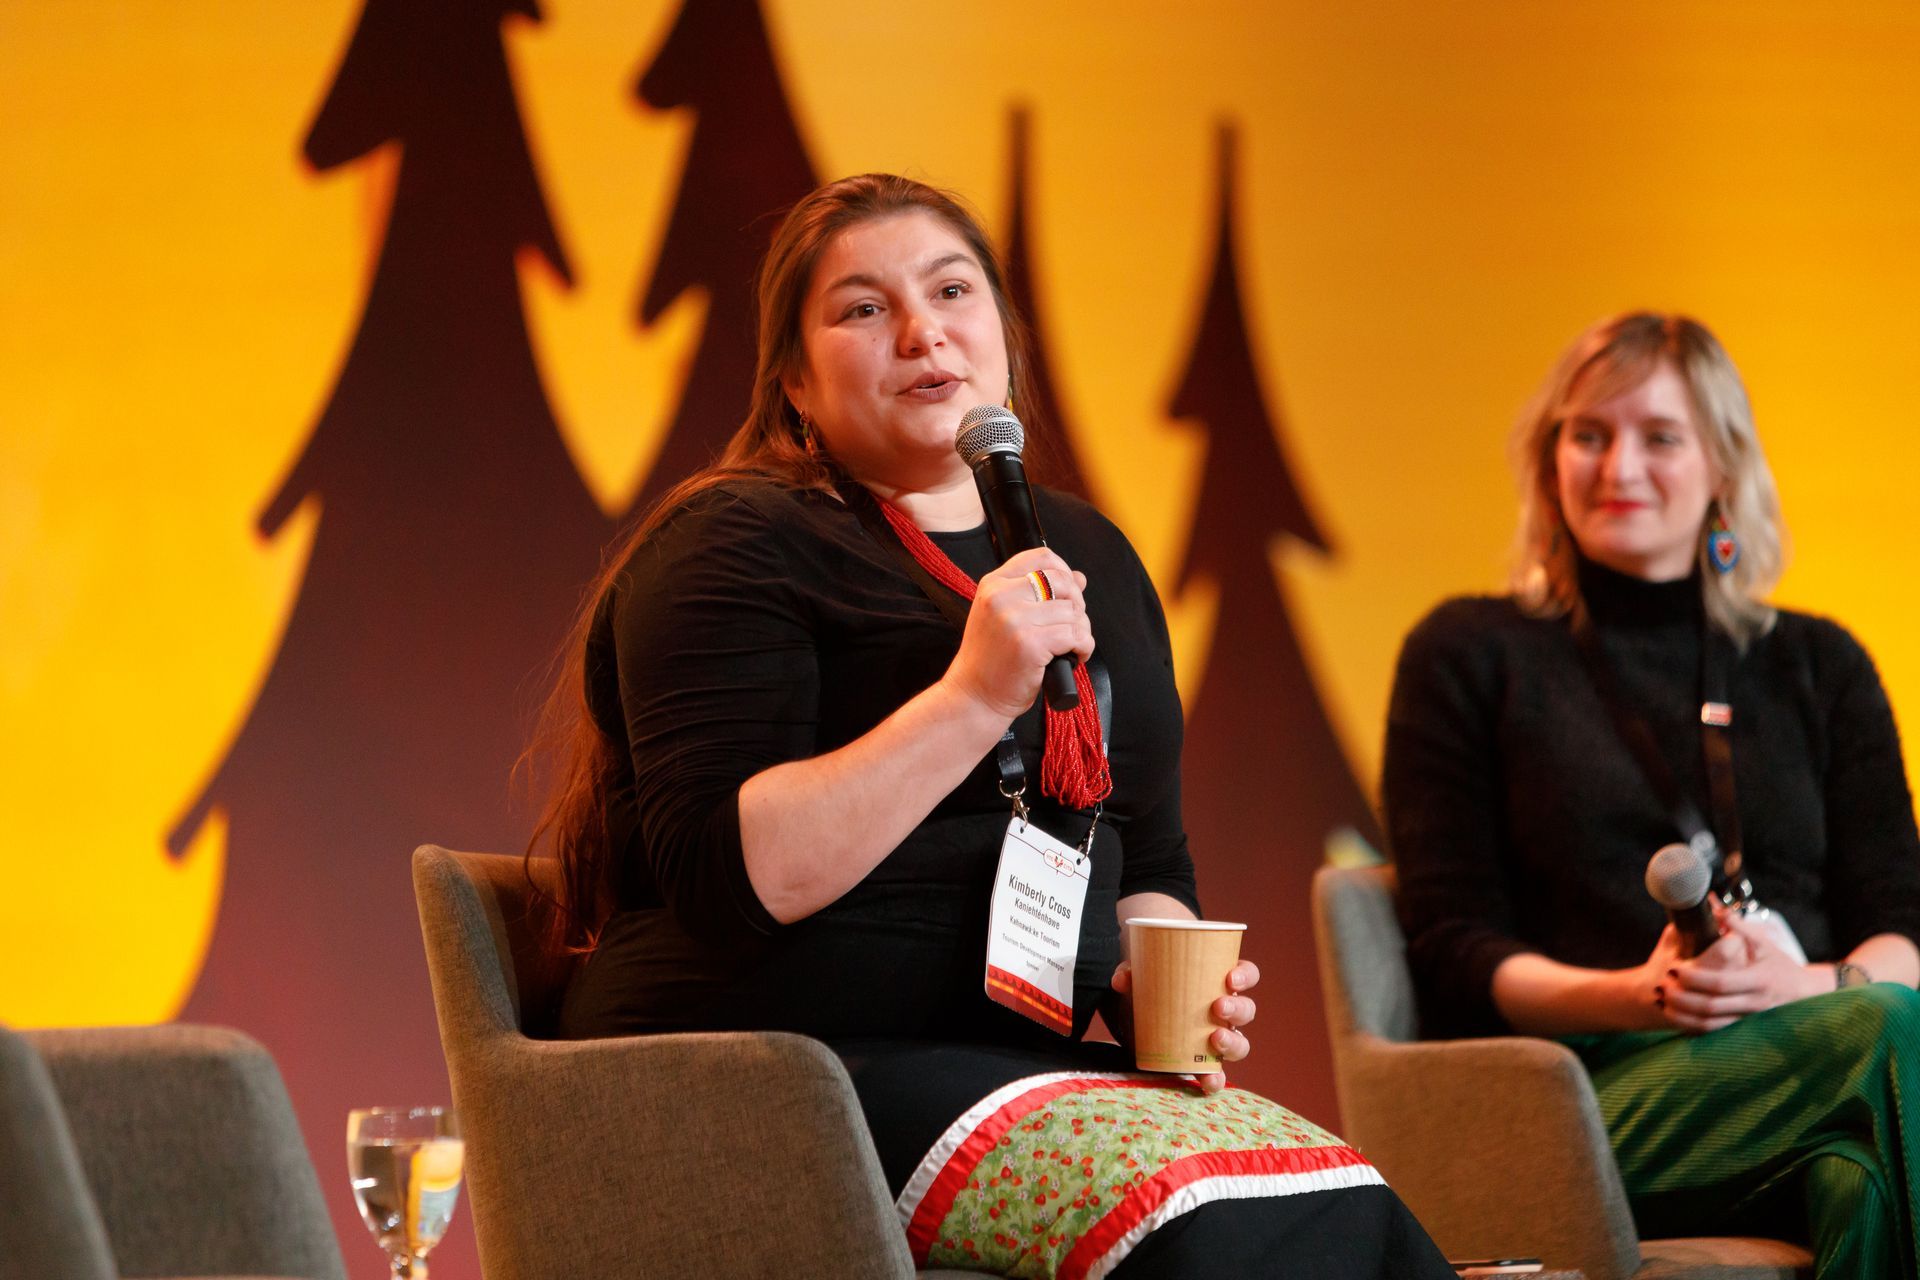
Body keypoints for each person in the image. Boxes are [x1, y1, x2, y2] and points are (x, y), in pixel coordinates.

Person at [531, 172, 1452, 1277]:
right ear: (794, 381)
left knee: (1351, 1208)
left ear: (1002, 334)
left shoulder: (1087, 553)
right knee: (1207, 1221)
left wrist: (1153, 986)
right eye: (863, 309)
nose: (923, 331)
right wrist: (972, 698)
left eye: (952, 289)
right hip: (768, 1068)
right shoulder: (732, 542)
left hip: (1005, 1062)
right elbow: (738, 874)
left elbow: (1144, 847)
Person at [1383, 310, 1920, 1278]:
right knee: (1890, 1030)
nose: (1618, 467)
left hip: (1817, 1055)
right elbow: (1454, 949)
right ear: (1551, 460)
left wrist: (1795, 986)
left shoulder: (1820, 662)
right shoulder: (1469, 652)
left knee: (1858, 1174)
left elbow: (1901, 924)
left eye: (1659, 437)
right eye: (1588, 435)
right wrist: (1642, 995)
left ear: (1722, 464)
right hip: (1582, 1091)